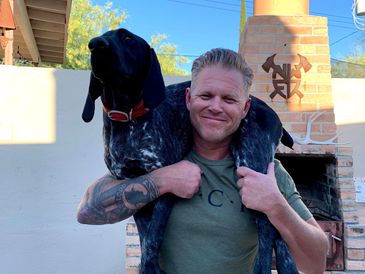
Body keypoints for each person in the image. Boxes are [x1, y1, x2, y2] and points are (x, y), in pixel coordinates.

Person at [77, 48, 328, 273]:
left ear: (245, 108)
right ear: (188, 98)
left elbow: (316, 263)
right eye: (206, 96)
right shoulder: (158, 156)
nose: (216, 107)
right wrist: (161, 180)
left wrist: (276, 206)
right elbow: (88, 212)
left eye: (229, 99)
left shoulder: (267, 172)